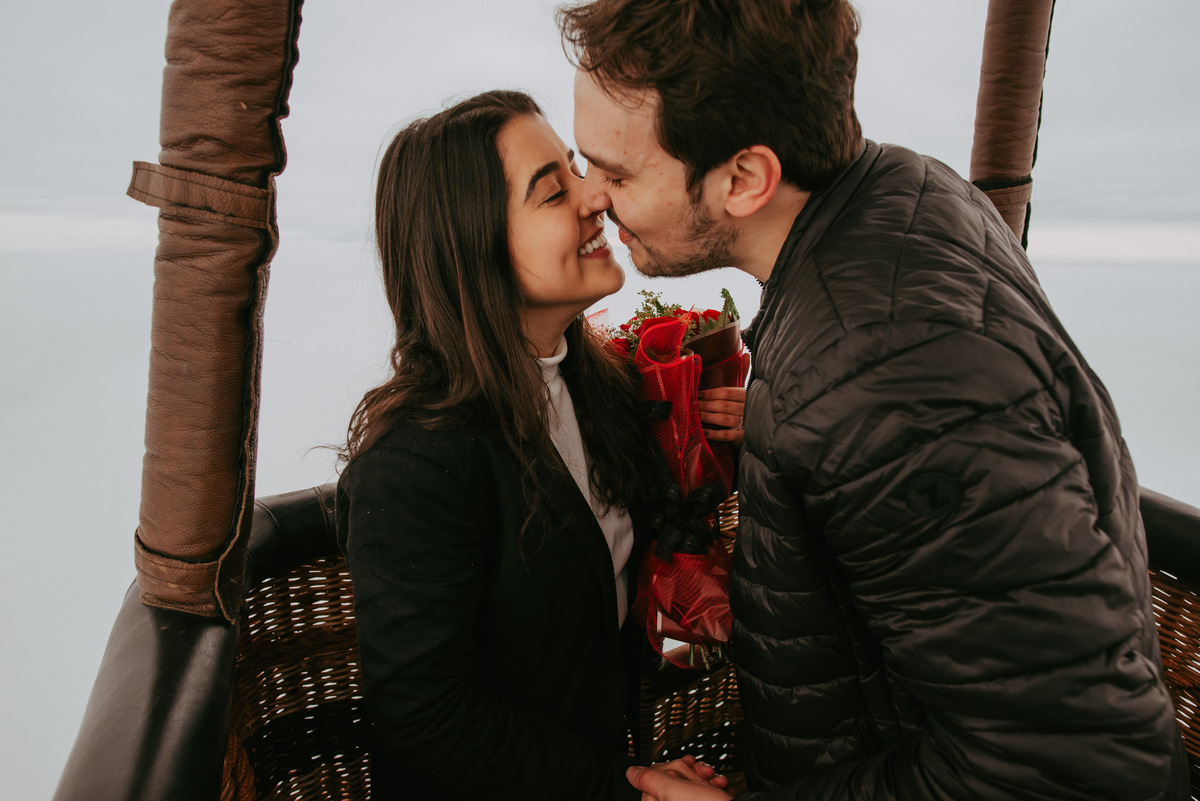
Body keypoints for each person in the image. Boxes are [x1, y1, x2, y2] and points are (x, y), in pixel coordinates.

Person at [557, 1, 1190, 800]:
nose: (592, 197)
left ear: (745, 179)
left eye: (615, 172)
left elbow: (1074, 771)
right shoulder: (907, 187)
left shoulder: (886, 383)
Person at [335, 90, 741, 801]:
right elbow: (427, 717)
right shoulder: (411, 467)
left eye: (578, 170)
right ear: (473, 246)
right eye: (554, 191)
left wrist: (753, 419)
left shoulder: (599, 390)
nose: (595, 195)